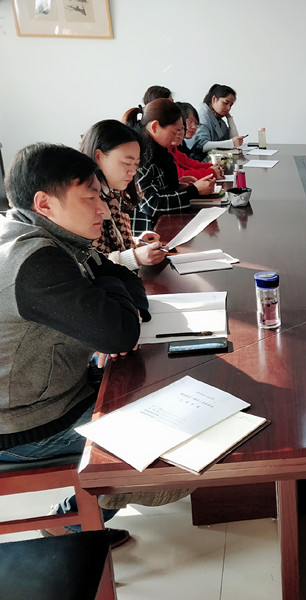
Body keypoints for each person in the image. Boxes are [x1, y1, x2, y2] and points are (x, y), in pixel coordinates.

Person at [0, 143, 150, 546]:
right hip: (27, 424)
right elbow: (119, 332)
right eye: (90, 198)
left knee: (156, 391)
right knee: (161, 455)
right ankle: (69, 526)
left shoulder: (51, 237)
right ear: (44, 203)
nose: (103, 209)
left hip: (58, 392)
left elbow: (122, 279)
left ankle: (79, 517)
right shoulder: (35, 260)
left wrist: (115, 289)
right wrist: (114, 292)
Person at [78, 120, 166, 269]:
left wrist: (135, 242)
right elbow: (87, 266)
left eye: (136, 164)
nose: (133, 171)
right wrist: (134, 257)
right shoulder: (81, 204)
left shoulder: (110, 193)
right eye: (126, 163)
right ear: (98, 156)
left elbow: (107, 247)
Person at [123, 99, 215, 234]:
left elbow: (158, 188)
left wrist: (178, 185)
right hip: (148, 232)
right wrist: (193, 191)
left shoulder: (159, 150)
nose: (178, 136)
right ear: (155, 127)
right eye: (175, 132)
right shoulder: (142, 154)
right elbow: (152, 204)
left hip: (163, 223)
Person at [186, 83, 246, 160]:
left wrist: (230, 119)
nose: (228, 108)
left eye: (231, 105)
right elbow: (202, 146)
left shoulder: (218, 118)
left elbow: (234, 141)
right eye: (225, 103)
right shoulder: (202, 116)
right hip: (198, 160)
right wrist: (231, 143)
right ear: (214, 99)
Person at [172, 101, 224, 180]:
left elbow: (188, 163)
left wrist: (211, 167)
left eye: (196, 123)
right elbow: (179, 174)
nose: (193, 127)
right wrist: (211, 172)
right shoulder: (166, 147)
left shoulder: (179, 145)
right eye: (189, 121)